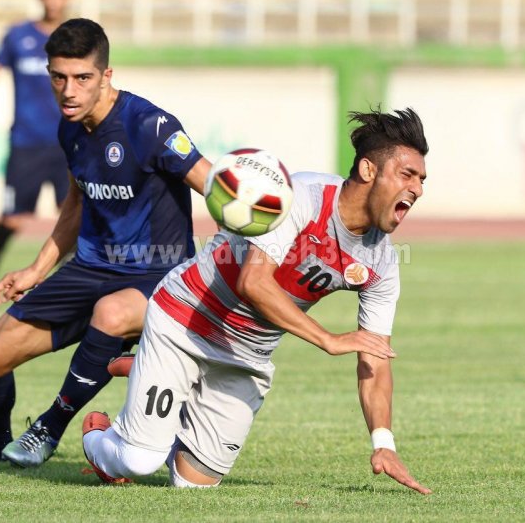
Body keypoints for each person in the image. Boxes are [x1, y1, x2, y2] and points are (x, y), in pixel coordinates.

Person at [82, 108, 433, 494]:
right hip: (187, 319)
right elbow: (253, 281)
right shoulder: (302, 197)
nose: (417, 188)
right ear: (368, 170)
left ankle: (164, 380)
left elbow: (375, 356)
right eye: (407, 174)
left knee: (192, 484)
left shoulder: (382, 260)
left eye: (421, 179)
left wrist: (383, 442)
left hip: (246, 353)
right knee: (139, 459)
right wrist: (329, 340)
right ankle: (100, 437)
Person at [0, 18, 212, 466]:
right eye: (58, 77)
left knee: (110, 312)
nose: (69, 90)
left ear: (106, 75)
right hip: (89, 269)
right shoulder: (70, 128)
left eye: (82, 78)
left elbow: (214, 189)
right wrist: (36, 269)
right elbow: (76, 203)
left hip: (155, 275)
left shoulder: (149, 125)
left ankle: (48, 427)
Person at [0, 0, 71, 306]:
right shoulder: (18, 36)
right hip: (26, 144)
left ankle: (75, 288)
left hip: (65, 145)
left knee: (75, 216)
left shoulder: (74, 38)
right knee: (12, 219)